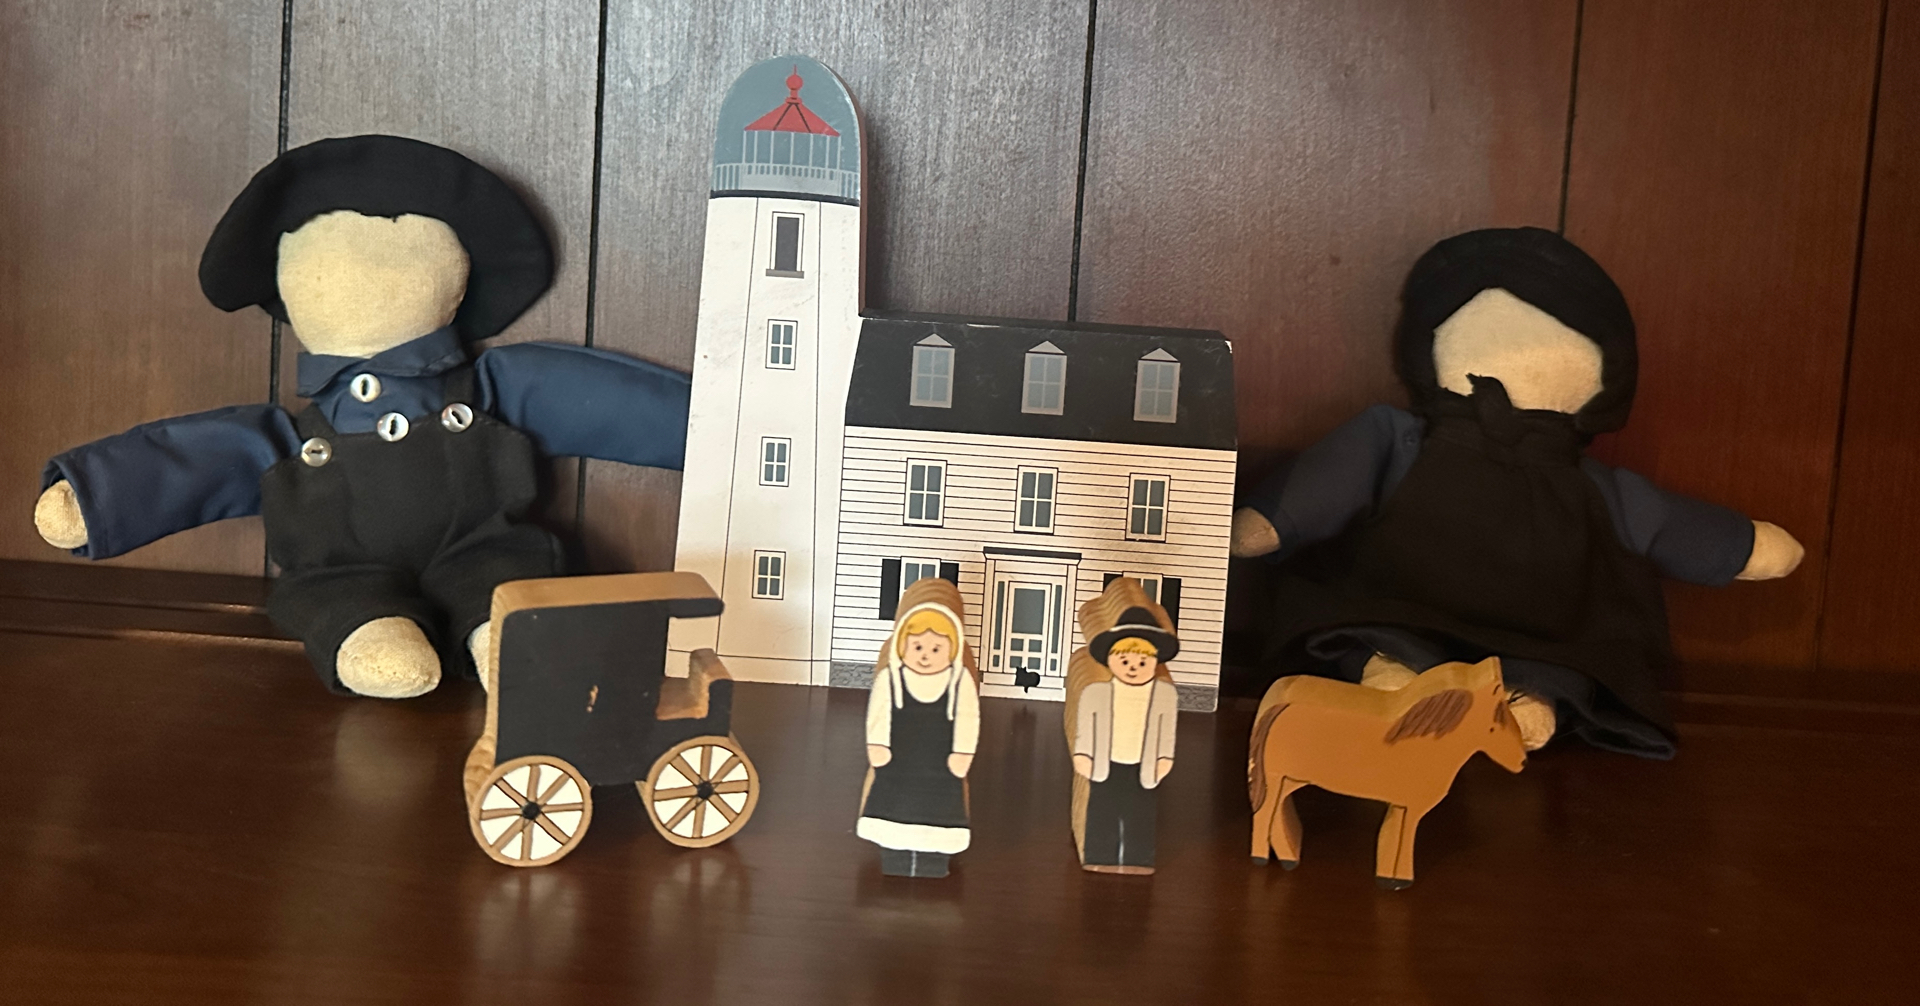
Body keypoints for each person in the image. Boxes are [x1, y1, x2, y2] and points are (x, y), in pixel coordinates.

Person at [856, 578, 980, 878]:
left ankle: (934, 863)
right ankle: (894, 858)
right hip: (898, 763)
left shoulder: (959, 681)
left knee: (939, 812)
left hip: (941, 765)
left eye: (936, 648)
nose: (926, 655)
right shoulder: (891, 678)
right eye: (918, 646)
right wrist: (877, 745)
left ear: (952, 648)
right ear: (903, 645)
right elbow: (878, 714)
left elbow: (968, 717)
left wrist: (963, 752)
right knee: (893, 810)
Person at [1071, 603, 1179, 873]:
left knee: (1140, 814)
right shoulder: (1095, 693)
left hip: (1143, 766)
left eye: (1142, 662)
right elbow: (1086, 728)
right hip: (1104, 764)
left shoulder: (1164, 695)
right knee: (1102, 811)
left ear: (1154, 661)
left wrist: (1164, 759)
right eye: (1125, 660)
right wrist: (1083, 756)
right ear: (1111, 659)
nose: (1133, 667)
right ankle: (1099, 857)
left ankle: (1138, 859)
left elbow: (1166, 730)